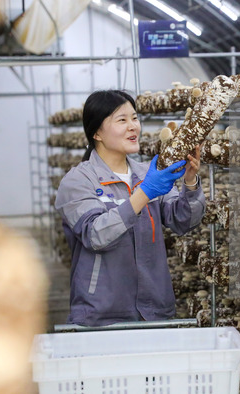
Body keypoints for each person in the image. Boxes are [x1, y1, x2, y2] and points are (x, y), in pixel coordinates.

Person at [55, 90, 206, 326]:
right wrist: (144, 193)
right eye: (122, 120)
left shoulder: (147, 174)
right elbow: (96, 235)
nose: (133, 126)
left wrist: (190, 181)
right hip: (103, 314)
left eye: (134, 118)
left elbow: (183, 221)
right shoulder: (78, 181)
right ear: (97, 133)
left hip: (154, 309)